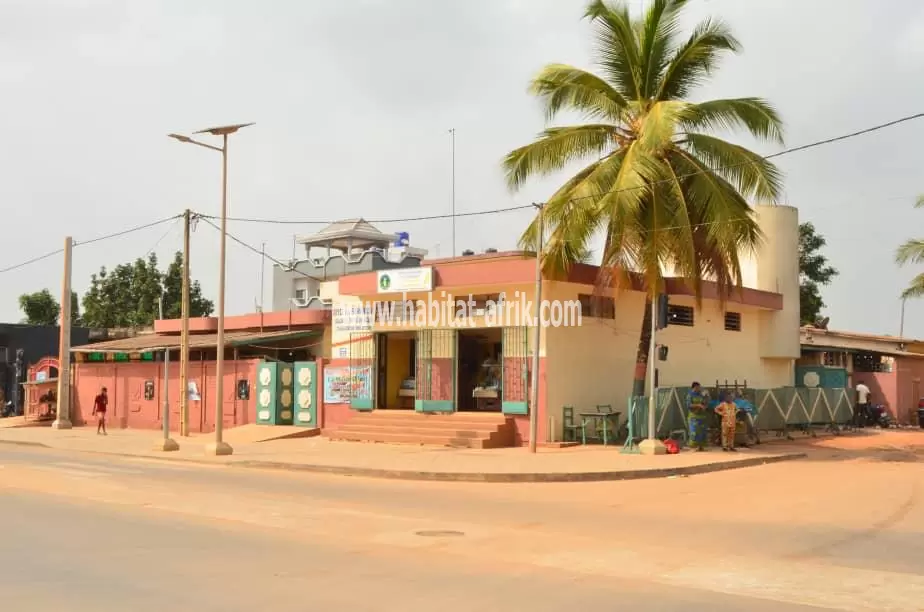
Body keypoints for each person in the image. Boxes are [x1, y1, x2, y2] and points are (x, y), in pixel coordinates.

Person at [686, 382, 708, 451]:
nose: (699, 389)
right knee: (694, 432)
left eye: (700, 387)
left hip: (702, 417)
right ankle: (693, 447)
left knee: (702, 432)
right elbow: (688, 405)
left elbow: (705, 402)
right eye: (698, 387)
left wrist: (706, 398)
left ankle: (701, 447)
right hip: (694, 417)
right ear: (694, 387)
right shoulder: (690, 395)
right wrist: (698, 405)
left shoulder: (701, 394)